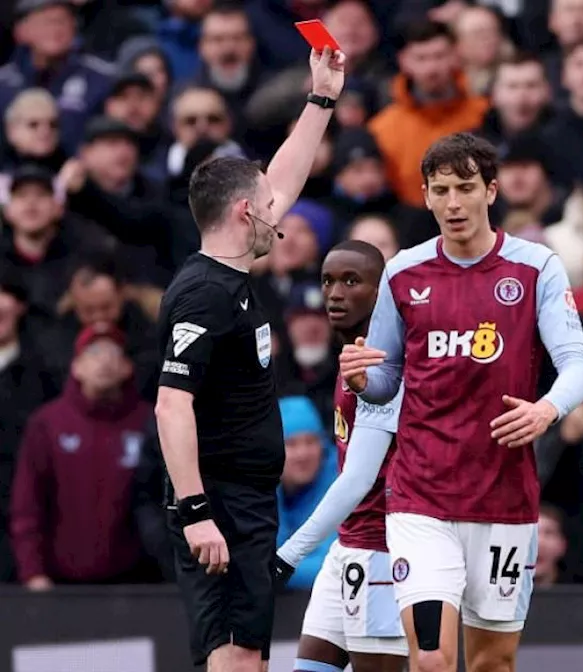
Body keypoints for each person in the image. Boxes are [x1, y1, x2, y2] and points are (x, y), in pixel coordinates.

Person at [336, 132, 583, 672]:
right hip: (419, 497)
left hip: (502, 496)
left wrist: (546, 409)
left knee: (491, 665)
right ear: (425, 196)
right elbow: (387, 380)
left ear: (491, 191)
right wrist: (362, 381)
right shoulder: (403, 273)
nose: (453, 203)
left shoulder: (535, 268)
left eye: (465, 188)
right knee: (431, 659)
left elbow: (577, 367)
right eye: (440, 190)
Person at [154, 47, 345, 672]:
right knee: (237, 658)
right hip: (222, 502)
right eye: (267, 205)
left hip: (243, 501)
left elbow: (285, 176)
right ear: (244, 213)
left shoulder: (229, 270)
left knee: (241, 657)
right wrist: (197, 510)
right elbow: (170, 403)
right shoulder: (204, 294)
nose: (279, 211)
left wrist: (321, 98)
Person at [274, 240, 408, 671]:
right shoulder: (350, 356)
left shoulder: (382, 366)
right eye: (328, 280)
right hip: (347, 544)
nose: (335, 293)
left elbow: (358, 478)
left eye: (352, 281)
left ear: (379, 292)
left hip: (382, 546)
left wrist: (288, 554)